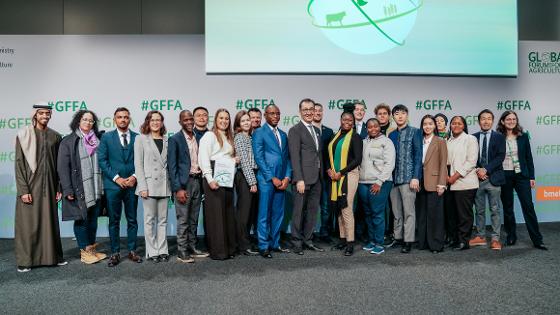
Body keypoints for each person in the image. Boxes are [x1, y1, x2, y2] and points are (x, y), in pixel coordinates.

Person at [14, 103, 66, 272]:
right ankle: (26, 261)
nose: (45, 116)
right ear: (35, 115)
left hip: (50, 185)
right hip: (30, 185)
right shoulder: (23, 135)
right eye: (41, 113)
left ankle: (53, 258)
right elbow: (19, 164)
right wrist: (23, 191)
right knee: (28, 224)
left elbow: (59, 166)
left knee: (50, 222)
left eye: (48, 113)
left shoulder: (56, 137)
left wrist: (59, 187)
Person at [58, 110, 106, 264]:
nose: (88, 123)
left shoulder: (98, 140)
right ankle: (84, 252)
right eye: (84, 119)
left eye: (91, 120)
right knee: (81, 220)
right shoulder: (68, 141)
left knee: (93, 221)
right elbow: (62, 168)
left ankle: (91, 249)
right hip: (79, 188)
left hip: (96, 187)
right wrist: (67, 189)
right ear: (78, 121)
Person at [97, 107, 142, 267]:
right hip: (113, 186)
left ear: (129, 119)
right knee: (114, 221)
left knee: (132, 219)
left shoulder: (138, 138)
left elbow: (142, 160)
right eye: (119, 117)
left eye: (125, 117)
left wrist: (134, 177)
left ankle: (132, 251)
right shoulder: (107, 138)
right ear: (114, 119)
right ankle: (115, 253)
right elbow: (102, 161)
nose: (123, 119)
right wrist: (117, 179)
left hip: (132, 185)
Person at [497, 111, 547, 250]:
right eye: (508, 119)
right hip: (504, 175)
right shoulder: (498, 137)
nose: (511, 121)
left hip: (522, 176)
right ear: (502, 121)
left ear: (516, 121)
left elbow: (529, 158)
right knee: (507, 208)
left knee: (528, 207)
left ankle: (537, 239)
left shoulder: (523, 136)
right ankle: (511, 236)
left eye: (514, 119)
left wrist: (532, 176)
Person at [168, 110, 209, 264]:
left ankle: (192, 247)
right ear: (180, 122)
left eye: (191, 119)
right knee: (183, 219)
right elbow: (172, 167)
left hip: (197, 181)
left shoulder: (197, 137)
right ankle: (182, 250)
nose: (189, 122)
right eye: (185, 120)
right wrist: (178, 188)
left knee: (194, 218)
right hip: (184, 185)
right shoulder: (175, 139)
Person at [198, 108, 239, 260]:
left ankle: (229, 249)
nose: (224, 121)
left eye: (227, 118)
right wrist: (209, 179)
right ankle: (218, 251)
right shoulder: (209, 135)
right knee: (216, 216)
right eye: (221, 118)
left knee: (227, 213)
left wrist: (235, 160)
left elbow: (226, 157)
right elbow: (203, 158)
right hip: (214, 176)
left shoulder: (229, 137)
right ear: (215, 120)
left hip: (227, 176)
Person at [252, 104, 292, 258]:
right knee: (264, 214)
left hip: (282, 180)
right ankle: (263, 246)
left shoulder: (283, 134)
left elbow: (287, 158)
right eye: (272, 113)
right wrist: (272, 177)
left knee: (278, 214)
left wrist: (287, 177)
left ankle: (275, 243)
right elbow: (259, 158)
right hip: (266, 180)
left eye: (278, 113)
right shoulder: (259, 133)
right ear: (265, 115)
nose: (275, 116)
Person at [288, 99, 324, 255]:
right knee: (298, 212)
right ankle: (296, 242)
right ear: (300, 112)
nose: (309, 112)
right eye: (305, 109)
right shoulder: (295, 130)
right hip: (303, 179)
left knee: (312, 211)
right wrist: (299, 179)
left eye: (311, 109)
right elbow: (294, 157)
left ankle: (308, 240)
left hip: (317, 179)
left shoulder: (317, 131)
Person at [134, 111, 171, 263]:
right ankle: (152, 250)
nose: (155, 122)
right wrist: (142, 186)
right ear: (148, 122)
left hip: (164, 185)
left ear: (162, 122)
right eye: (152, 120)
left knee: (163, 220)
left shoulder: (167, 140)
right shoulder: (141, 139)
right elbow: (138, 164)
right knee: (149, 220)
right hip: (148, 185)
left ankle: (162, 249)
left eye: (158, 120)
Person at [469, 109, 505, 251]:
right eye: (483, 118)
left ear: (492, 120)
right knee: (479, 209)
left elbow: (500, 157)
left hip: (494, 178)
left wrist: (486, 170)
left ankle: (495, 239)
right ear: (479, 121)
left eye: (488, 118)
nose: (485, 121)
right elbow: (471, 157)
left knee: (495, 209)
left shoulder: (499, 137)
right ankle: (481, 236)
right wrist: (478, 170)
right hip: (477, 178)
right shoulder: (472, 137)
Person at [328, 111, 363, 256]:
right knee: (339, 208)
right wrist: (329, 170)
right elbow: (329, 154)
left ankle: (350, 243)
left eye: (350, 120)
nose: (347, 121)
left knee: (346, 208)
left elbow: (357, 160)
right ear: (341, 120)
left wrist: (340, 172)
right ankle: (342, 239)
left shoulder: (355, 137)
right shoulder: (336, 135)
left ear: (354, 122)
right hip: (335, 176)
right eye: (344, 119)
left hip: (349, 175)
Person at [388, 104, 422, 253]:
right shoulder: (391, 135)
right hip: (393, 179)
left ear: (407, 115)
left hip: (408, 179)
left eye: (402, 113)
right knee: (396, 212)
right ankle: (398, 237)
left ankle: (408, 241)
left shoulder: (415, 132)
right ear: (393, 117)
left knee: (409, 212)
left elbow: (418, 155)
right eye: (396, 113)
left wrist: (416, 177)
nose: (400, 116)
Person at [358, 118, 395, 255]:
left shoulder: (387, 142)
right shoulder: (363, 142)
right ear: (366, 129)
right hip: (363, 182)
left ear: (379, 127)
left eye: (375, 126)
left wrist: (379, 182)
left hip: (380, 182)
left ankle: (379, 243)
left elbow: (389, 164)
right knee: (367, 213)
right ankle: (372, 240)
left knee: (377, 213)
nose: (372, 128)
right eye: (369, 127)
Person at [416, 115, 448, 253]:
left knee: (435, 215)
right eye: (425, 124)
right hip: (420, 181)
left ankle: (436, 244)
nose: (427, 126)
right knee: (422, 214)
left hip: (435, 182)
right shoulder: (419, 141)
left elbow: (443, 164)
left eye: (430, 124)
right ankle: (423, 243)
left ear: (435, 126)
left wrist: (442, 183)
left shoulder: (440, 141)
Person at [446, 116, 479, 250]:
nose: (456, 125)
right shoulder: (448, 141)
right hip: (450, 183)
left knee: (464, 214)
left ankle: (464, 241)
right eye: (454, 123)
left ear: (464, 126)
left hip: (465, 183)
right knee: (452, 214)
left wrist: (454, 176)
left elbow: (471, 161)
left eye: (459, 123)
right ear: (451, 126)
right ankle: (455, 239)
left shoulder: (470, 139)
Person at [233, 110, 259, 256]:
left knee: (250, 212)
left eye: (247, 120)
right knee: (244, 212)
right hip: (244, 176)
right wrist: (252, 182)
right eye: (242, 121)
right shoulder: (239, 137)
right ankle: (242, 245)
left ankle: (246, 242)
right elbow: (244, 161)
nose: (246, 123)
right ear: (238, 123)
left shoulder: (250, 136)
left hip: (251, 175)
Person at [374, 103, 396, 247]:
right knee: (377, 207)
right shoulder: (371, 129)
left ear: (389, 115)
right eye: (379, 113)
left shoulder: (394, 130)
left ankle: (391, 232)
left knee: (391, 206)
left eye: (384, 113)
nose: (382, 116)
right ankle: (377, 234)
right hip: (373, 176)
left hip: (390, 175)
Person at [313, 102, 335, 242]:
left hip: (326, 176)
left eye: (320, 111)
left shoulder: (328, 131)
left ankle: (324, 233)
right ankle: (307, 233)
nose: (318, 113)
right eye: (315, 111)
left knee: (326, 207)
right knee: (309, 207)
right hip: (311, 174)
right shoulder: (306, 130)